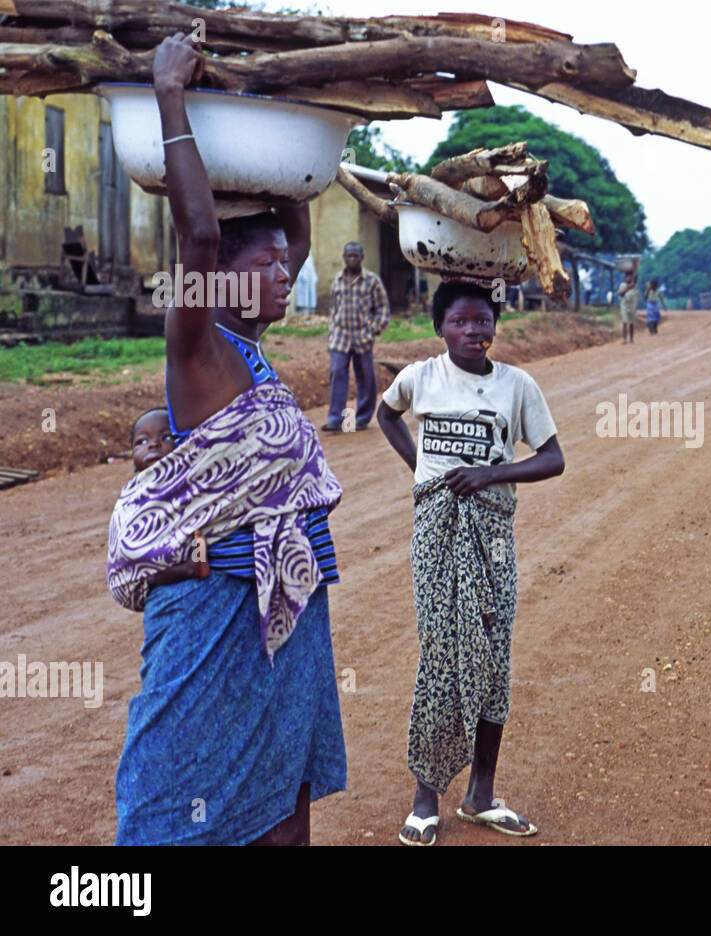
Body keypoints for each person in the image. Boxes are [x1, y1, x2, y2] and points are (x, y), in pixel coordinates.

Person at [108, 34, 346, 846]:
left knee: (283, 796)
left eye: (288, 264)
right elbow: (202, 241)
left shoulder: (251, 352)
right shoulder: (199, 349)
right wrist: (169, 94)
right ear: (227, 276)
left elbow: (294, 226)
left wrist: (310, 108)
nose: (290, 273)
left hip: (285, 608)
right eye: (273, 266)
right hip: (213, 613)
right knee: (173, 800)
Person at [376, 280, 565, 846]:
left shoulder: (517, 385)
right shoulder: (421, 377)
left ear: (495, 326)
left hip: (493, 534)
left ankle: (481, 793)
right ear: (441, 328)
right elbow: (387, 415)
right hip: (435, 532)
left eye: (482, 321)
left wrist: (490, 473)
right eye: (460, 322)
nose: (473, 332)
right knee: (439, 654)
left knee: (493, 656)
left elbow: (553, 458)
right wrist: (423, 473)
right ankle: (425, 796)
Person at [130, 406, 209, 588]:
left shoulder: (189, 484)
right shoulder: (133, 499)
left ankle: (194, 566)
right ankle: (191, 568)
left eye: (167, 437)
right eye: (141, 441)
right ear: (133, 462)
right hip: (149, 571)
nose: (153, 444)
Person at [324, 241, 389, 431]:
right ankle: (335, 419)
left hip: (362, 336)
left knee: (366, 377)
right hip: (340, 335)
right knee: (337, 372)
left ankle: (362, 418)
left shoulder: (371, 281)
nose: (352, 259)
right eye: (348, 255)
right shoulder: (337, 279)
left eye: (355, 255)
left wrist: (375, 328)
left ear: (362, 257)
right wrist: (331, 328)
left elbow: (383, 307)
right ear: (344, 257)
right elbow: (333, 306)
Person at [618, 269, 638, 344]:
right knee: (624, 322)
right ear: (626, 278)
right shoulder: (623, 285)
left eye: (630, 277)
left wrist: (636, 269)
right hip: (624, 305)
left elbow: (636, 278)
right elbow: (621, 294)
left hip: (632, 306)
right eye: (628, 277)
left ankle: (631, 338)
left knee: (631, 323)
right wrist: (628, 288)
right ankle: (624, 339)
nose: (629, 278)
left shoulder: (634, 286)